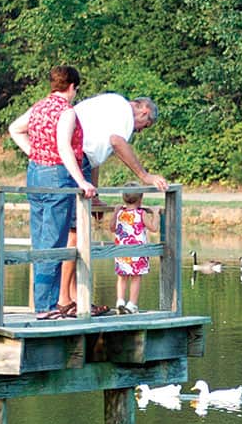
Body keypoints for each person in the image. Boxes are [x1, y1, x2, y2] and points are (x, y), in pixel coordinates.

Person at [56, 93, 170, 310]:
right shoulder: (125, 114)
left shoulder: (112, 106)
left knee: (75, 232)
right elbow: (116, 142)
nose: (140, 130)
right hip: (73, 159)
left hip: (78, 158)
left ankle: (73, 298)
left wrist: (95, 196)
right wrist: (145, 176)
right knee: (74, 233)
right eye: (145, 125)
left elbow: (95, 156)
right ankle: (64, 299)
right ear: (144, 111)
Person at [7, 65, 96, 319]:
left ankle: (43, 303)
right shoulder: (66, 112)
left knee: (40, 239)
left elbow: (15, 128)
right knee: (54, 241)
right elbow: (64, 147)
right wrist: (82, 181)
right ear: (72, 87)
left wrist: (35, 154)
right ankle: (46, 307)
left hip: (35, 173)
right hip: (57, 175)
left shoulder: (39, 107)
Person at [110, 182, 160, 314]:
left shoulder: (120, 213)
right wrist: (155, 214)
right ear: (141, 199)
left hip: (121, 250)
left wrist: (115, 212)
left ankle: (120, 301)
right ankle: (131, 304)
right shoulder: (141, 213)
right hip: (138, 251)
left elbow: (112, 228)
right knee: (136, 278)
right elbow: (154, 228)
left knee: (122, 277)